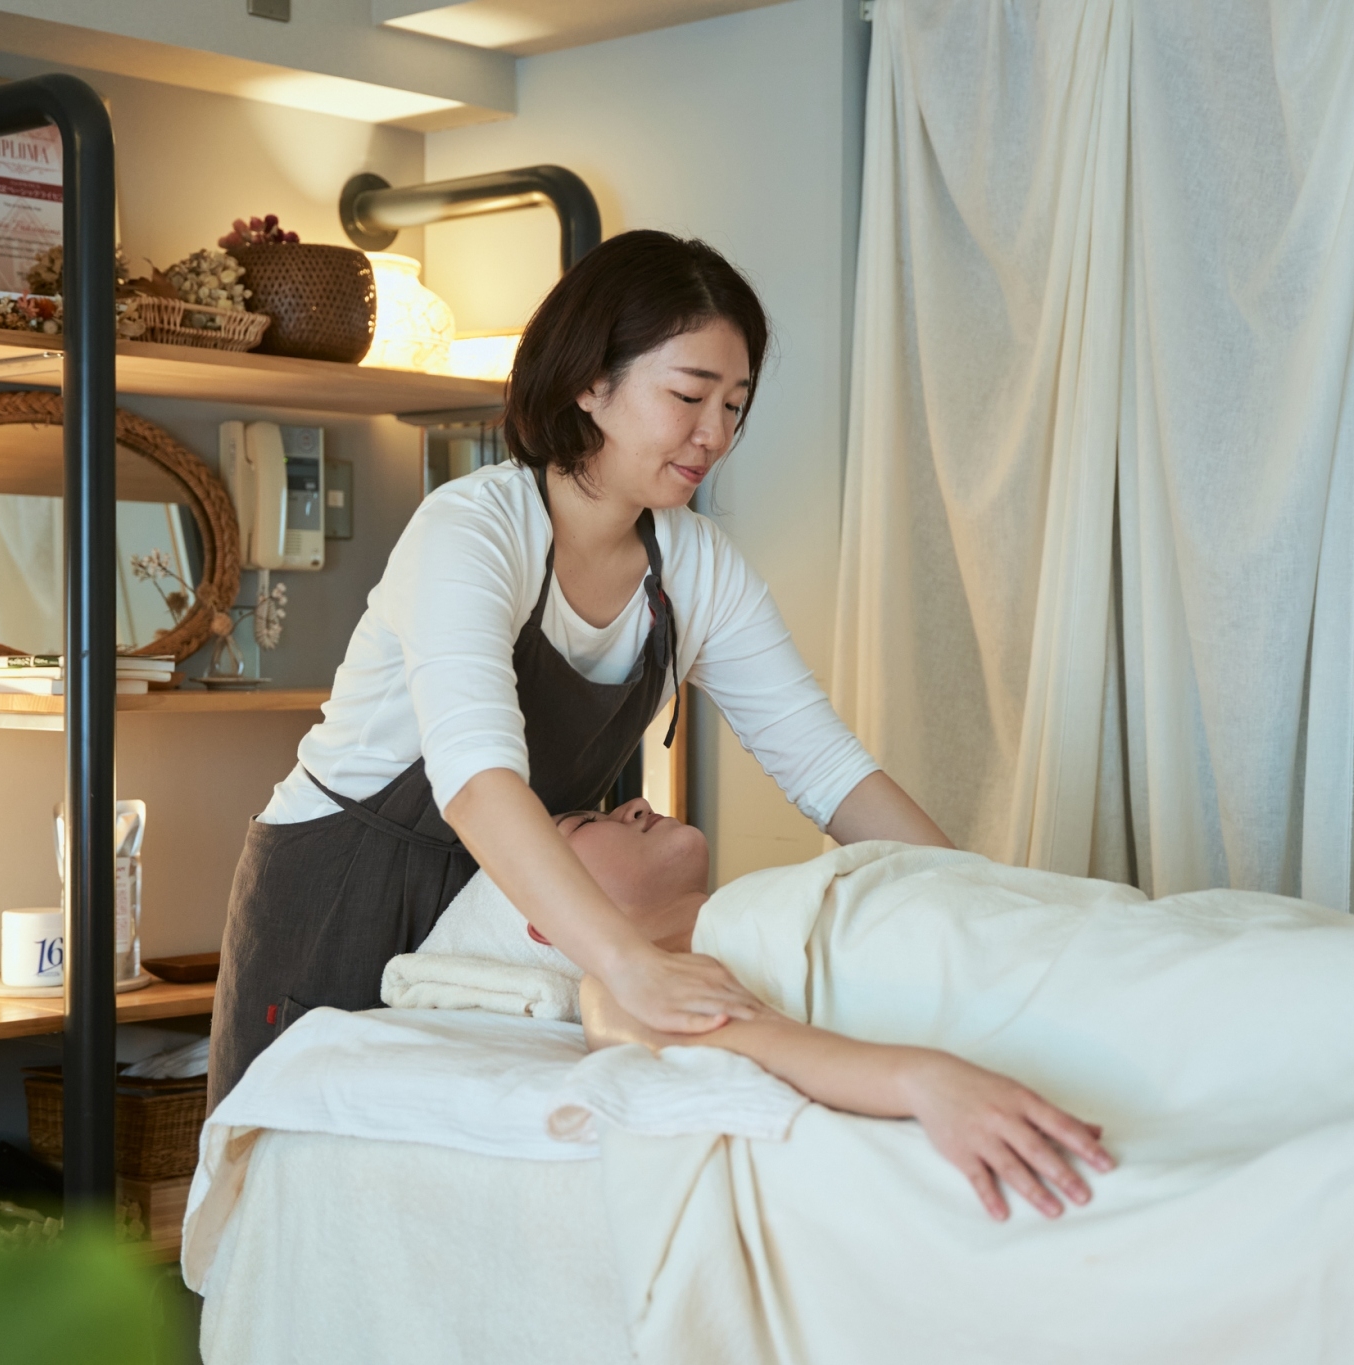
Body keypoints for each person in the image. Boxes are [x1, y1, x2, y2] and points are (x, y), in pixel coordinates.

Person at [210, 231, 951, 1108]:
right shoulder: (472, 530)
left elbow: (829, 772)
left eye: (736, 405)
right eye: (689, 395)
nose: (715, 433)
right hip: (342, 889)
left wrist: (985, 901)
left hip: (513, 908)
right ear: (591, 383)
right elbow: (478, 781)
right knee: (296, 1154)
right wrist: (630, 964)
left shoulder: (698, 567)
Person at [556, 797, 1118, 1221]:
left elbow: (963, 884)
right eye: (585, 823)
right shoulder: (617, 982)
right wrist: (922, 1081)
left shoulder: (761, 901)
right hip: (1058, 1000)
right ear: (544, 922)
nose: (636, 805)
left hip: (1085, 933)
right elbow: (731, 1038)